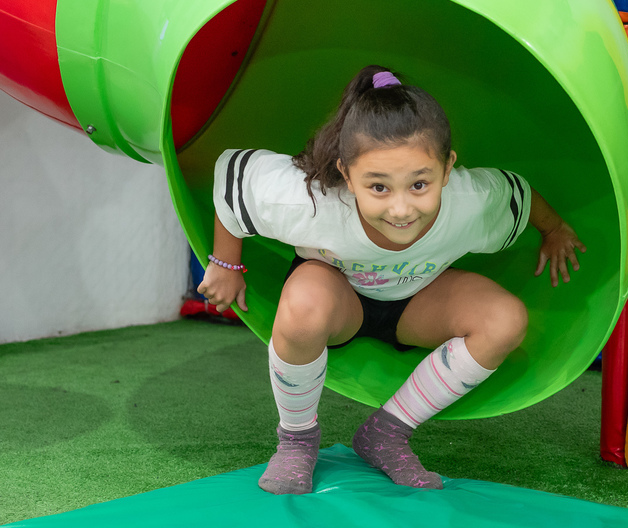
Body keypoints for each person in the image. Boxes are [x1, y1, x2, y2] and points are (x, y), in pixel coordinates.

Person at [197, 65, 586, 495]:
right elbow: (235, 175)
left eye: (419, 184)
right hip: (337, 294)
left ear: (448, 169)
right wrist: (226, 264)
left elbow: (519, 195)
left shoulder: (470, 203)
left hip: (418, 299)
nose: (401, 210)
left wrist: (555, 230)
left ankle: (387, 434)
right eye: (379, 188)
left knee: (505, 319)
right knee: (303, 305)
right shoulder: (313, 202)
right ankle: (296, 440)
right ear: (347, 175)